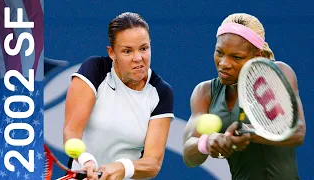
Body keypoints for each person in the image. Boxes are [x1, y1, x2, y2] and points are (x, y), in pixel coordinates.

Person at [183, 13, 306, 180]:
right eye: (219, 52)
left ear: (258, 56)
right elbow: (189, 154)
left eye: (237, 57)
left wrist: (248, 133)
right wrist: (207, 142)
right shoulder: (205, 92)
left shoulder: (276, 74)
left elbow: (297, 131)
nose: (224, 64)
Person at [63, 12, 174, 180]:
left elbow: (153, 163)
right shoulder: (95, 70)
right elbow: (71, 132)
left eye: (144, 48)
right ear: (112, 52)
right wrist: (86, 161)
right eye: (127, 51)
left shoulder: (160, 92)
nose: (138, 58)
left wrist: (123, 167)